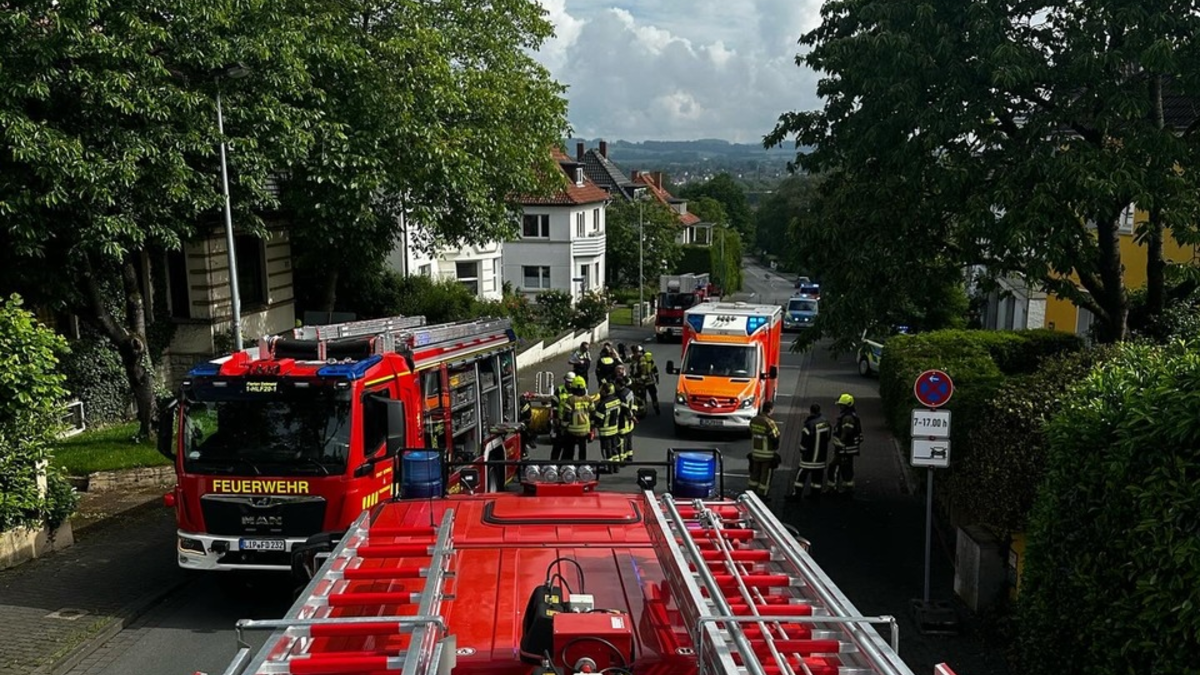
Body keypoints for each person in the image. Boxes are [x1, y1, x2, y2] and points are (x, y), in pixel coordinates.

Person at [788, 404, 831, 501]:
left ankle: (796, 495)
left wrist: (802, 450)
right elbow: (828, 437)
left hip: (808, 458)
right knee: (817, 479)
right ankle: (815, 496)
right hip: (821, 457)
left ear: (811, 411)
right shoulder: (825, 422)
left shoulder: (809, 424)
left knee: (800, 476)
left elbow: (805, 441)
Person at [830, 393, 863, 495]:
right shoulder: (851, 416)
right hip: (848, 449)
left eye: (842, 405)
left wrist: (840, 442)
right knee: (847, 469)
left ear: (847, 405)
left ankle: (833, 489)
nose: (840, 407)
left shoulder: (847, 418)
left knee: (834, 467)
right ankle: (847, 490)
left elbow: (846, 432)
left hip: (845, 449)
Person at [747, 401, 781, 498]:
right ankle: (762, 494)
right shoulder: (769, 422)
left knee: (755, 473)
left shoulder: (754, 420)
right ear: (770, 409)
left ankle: (751, 492)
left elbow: (751, 433)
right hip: (767, 454)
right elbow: (775, 437)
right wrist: (775, 448)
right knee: (765, 475)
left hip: (755, 452)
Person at [562, 378, 595, 462]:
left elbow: (567, 416)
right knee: (582, 450)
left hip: (572, 430)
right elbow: (593, 414)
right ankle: (582, 465)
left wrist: (563, 426)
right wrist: (592, 428)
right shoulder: (589, 399)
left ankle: (569, 466)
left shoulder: (570, 400)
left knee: (569, 450)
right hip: (584, 430)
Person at [594, 381, 623, 473]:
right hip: (614, 429)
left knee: (607, 450)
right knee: (615, 448)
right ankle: (616, 467)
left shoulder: (602, 404)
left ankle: (609, 468)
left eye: (602, 390)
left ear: (606, 391)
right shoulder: (617, 400)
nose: (600, 391)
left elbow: (598, 419)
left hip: (605, 431)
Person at [550, 373, 575, 461]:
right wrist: (556, 418)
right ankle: (553, 463)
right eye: (568, 382)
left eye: (572, 382)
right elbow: (554, 404)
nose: (570, 384)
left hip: (572, 423)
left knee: (570, 446)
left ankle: (567, 463)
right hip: (560, 421)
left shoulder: (576, 391)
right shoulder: (560, 390)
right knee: (558, 445)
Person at [632, 345, 661, 415]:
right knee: (653, 396)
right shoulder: (649, 360)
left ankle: (644, 410)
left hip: (642, 382)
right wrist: (657, 379)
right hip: (650, 381)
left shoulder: (640, 360)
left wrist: (635, 379)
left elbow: (641, 372)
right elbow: (655, 369)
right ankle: (656, 407)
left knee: (642, 397)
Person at [615, 374, 637, 465]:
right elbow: (634, 404)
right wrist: (633, 415)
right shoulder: (629, 391)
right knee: (629, 439)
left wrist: (629, 415)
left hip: (623, 421)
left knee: (622, 441)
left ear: (619, 385)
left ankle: (623, 459)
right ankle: (630, 456)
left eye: (616, 384)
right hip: (630, 421)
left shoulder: (621, 395)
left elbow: (624, 409)